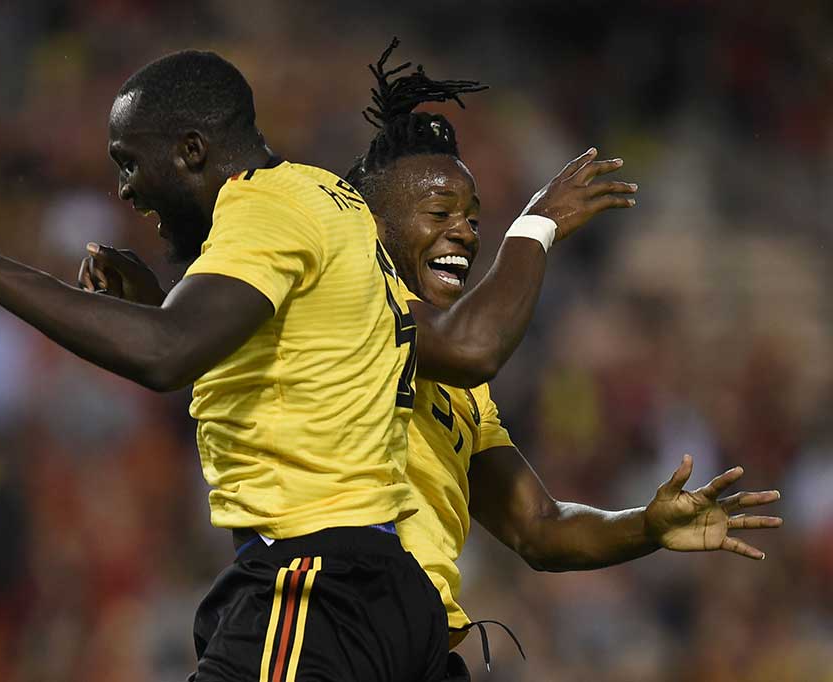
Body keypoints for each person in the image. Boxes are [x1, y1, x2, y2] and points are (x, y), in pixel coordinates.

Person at [77, 42, 783, 680]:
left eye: (474, 216)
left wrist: (645, 527)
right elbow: (221, 348)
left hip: (401, 641)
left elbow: (539, 526)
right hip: (332, 607)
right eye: (440, 211)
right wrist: (536, 225)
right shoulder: (350, 292)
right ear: (368, 224)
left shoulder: (455, 387)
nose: (465, 231)